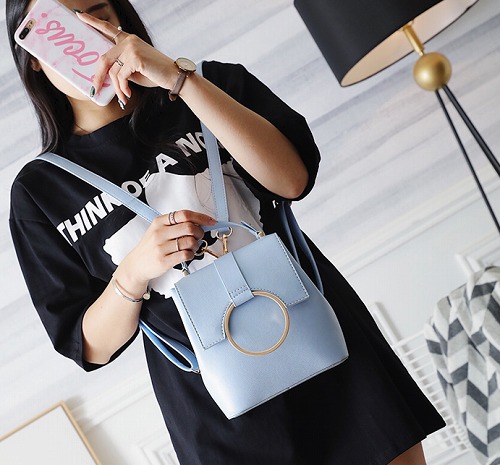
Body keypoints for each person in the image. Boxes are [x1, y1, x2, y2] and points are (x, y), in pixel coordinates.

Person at [7, 1, 445, 464]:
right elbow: (89, 346)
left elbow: (291, 180)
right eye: (58, 26)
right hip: (215, 404)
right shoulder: (40, 190)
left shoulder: (214, 83)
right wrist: (133, 273)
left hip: (323, 341)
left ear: (121, 19)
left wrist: (180, 80)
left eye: (98, 15)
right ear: (33, 53)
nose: (85, 37)